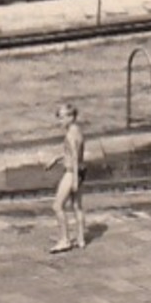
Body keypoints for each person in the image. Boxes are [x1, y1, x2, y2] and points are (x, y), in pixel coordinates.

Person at [48, 103, 87, 253]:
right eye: (59, 118)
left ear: (71, 117)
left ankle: (64, 240)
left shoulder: (70, 134)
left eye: (62, 117)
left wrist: (75, 179)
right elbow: (73, 152)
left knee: (57, 206)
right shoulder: (77, 131)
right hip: (82, 170)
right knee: (77, 206)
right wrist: (56, 159)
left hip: (72, 172)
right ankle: (81, 238)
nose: (60, 121)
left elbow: (74, 157)